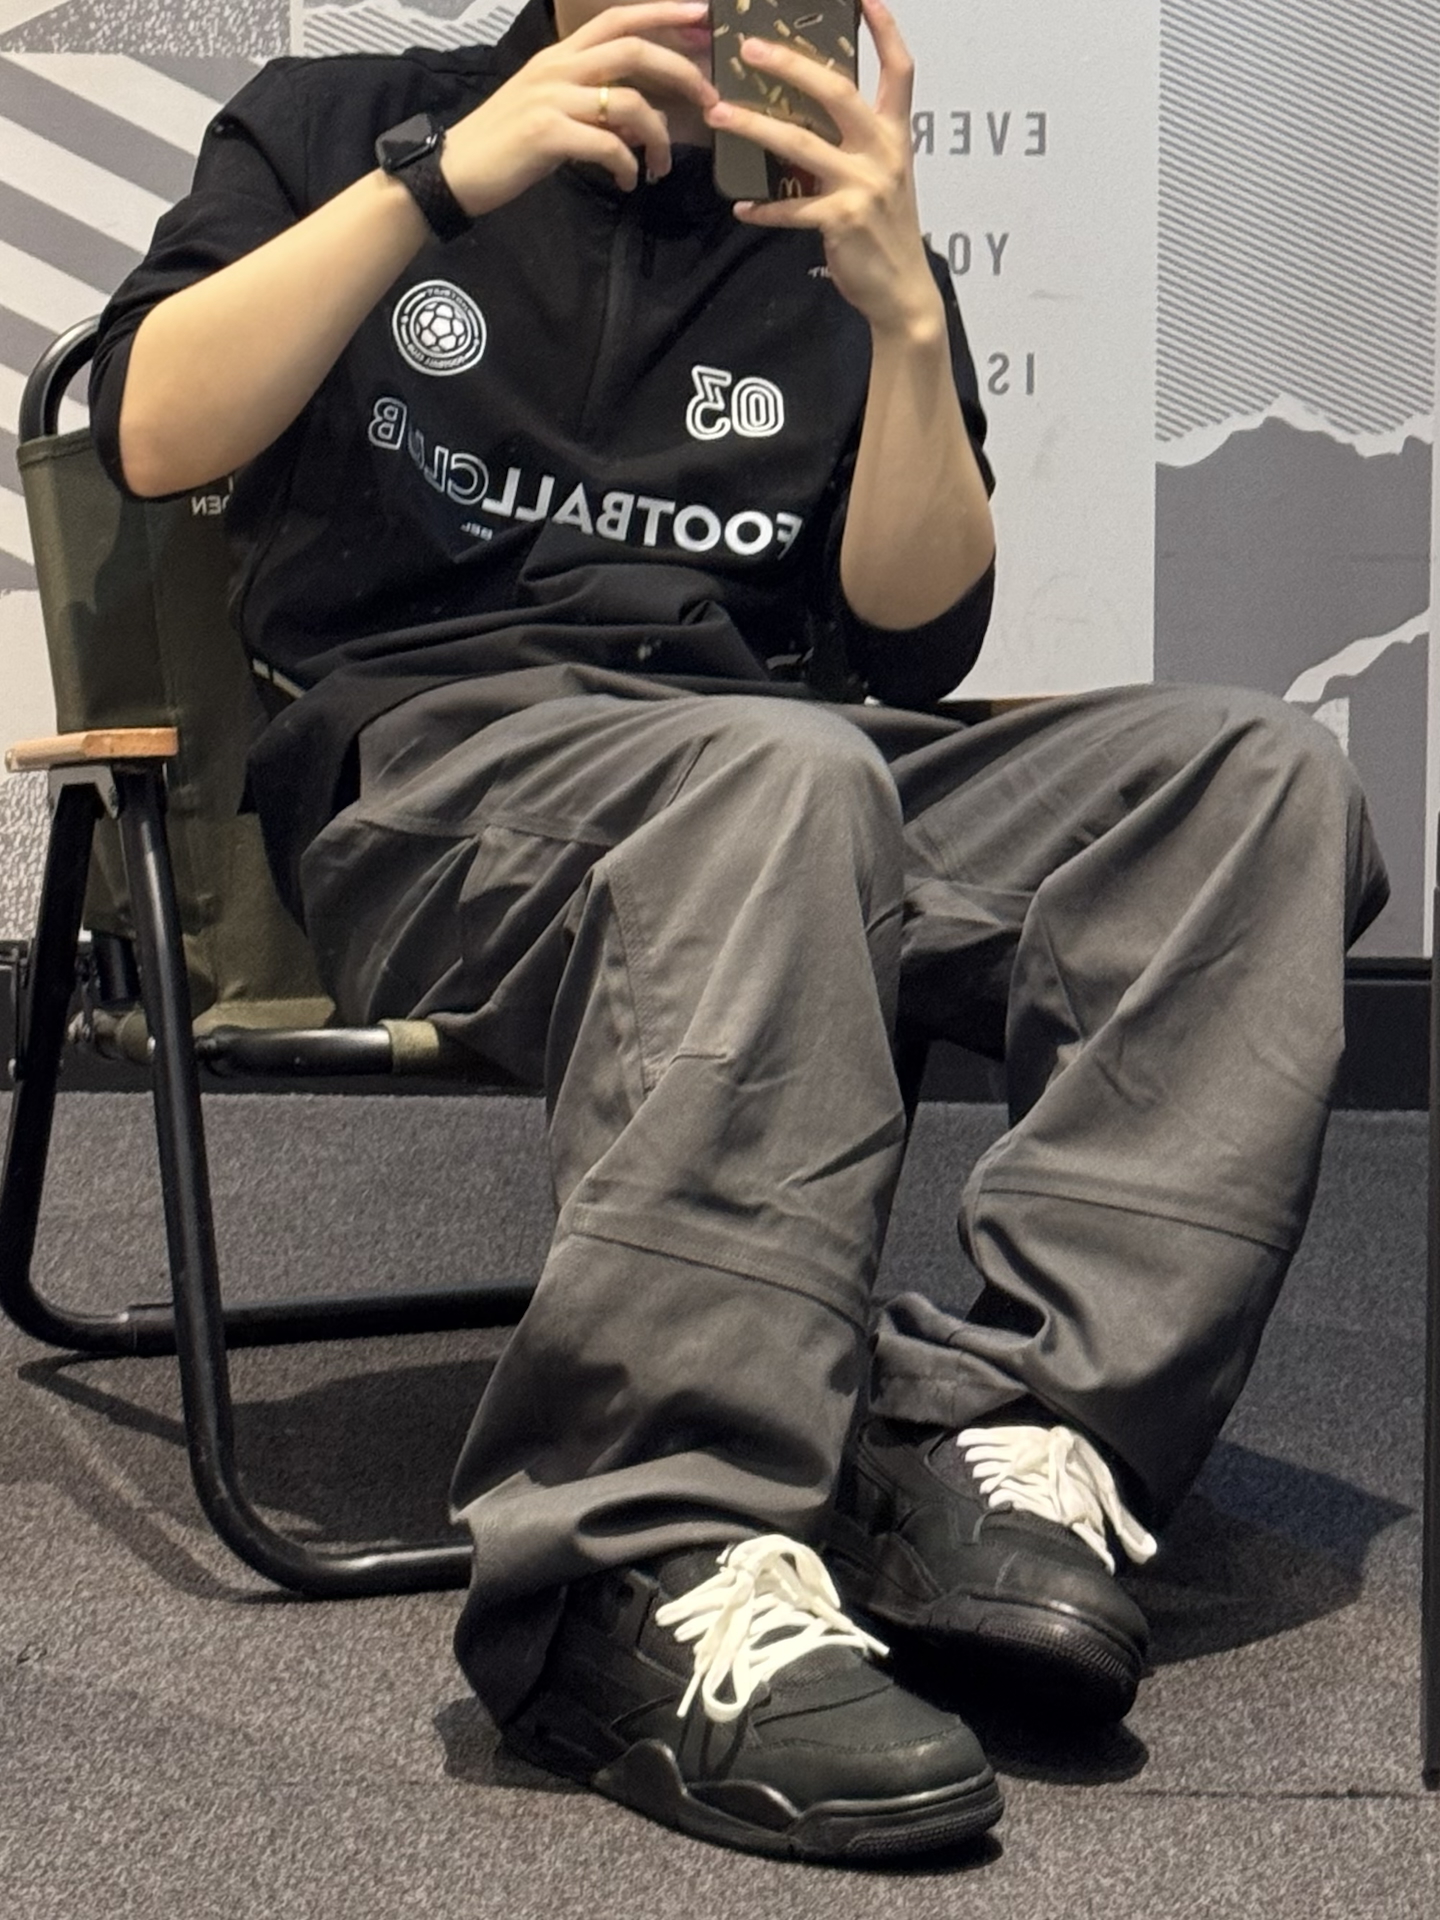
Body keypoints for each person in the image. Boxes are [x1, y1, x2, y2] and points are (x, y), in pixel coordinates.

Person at [90, 0, 1388, 1864]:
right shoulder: (348, 119)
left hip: (787, 760)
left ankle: (1010, 1435)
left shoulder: (818, 216)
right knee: (783, 772)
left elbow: (917, 633)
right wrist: (439, 184)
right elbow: (149, 434)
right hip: (441, 772)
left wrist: (903, 313)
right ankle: (645, 1562)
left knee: (1254, 779)